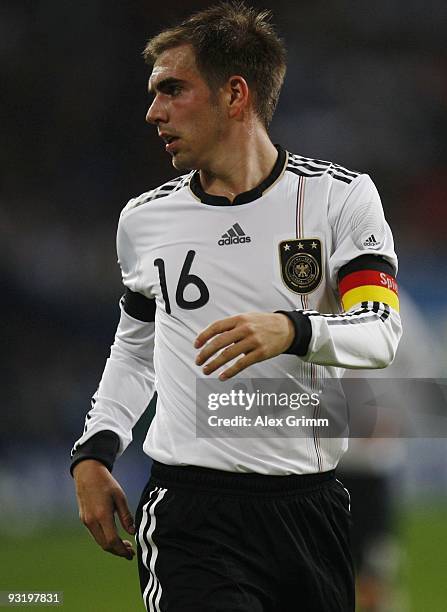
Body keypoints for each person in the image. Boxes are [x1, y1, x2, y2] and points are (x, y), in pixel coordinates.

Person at [70, 3, 402, 611]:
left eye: (173, 89)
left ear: (235, 94)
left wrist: (293, 330)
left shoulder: (339, 199)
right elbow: (135, 346)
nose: (153, 112)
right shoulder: (145, 220)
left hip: (313, 509)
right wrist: (96, 449)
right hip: (193, 511)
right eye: (153, 94)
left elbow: (380, 332)